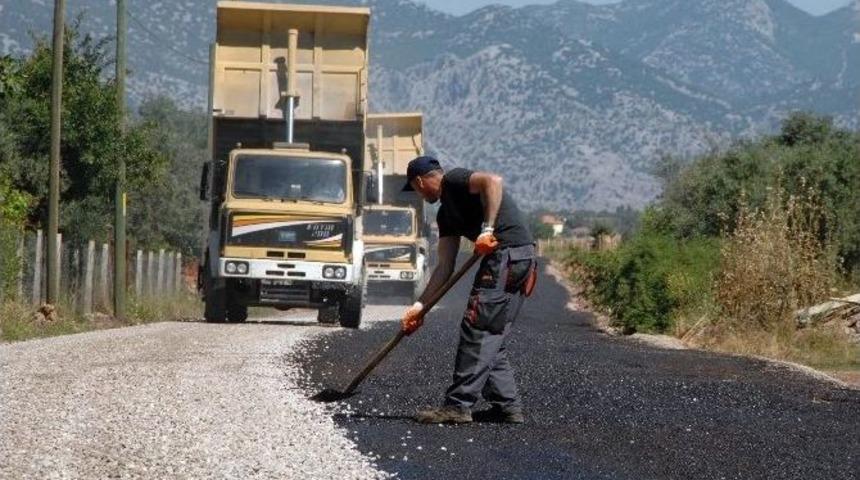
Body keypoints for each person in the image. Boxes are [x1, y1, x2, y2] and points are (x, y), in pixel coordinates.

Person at [401, 156, 537, 424]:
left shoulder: (453, 181)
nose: (418, 194)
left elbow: (492, 181)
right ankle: (507, 407)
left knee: (478, 326)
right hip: (518, 258)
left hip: (508, 254)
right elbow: (445, 266)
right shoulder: (445, 215)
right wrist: (420, 308)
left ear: (419, 181)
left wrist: (487, 230)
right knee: (491, 331)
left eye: (415, 189)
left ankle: (458, 406)